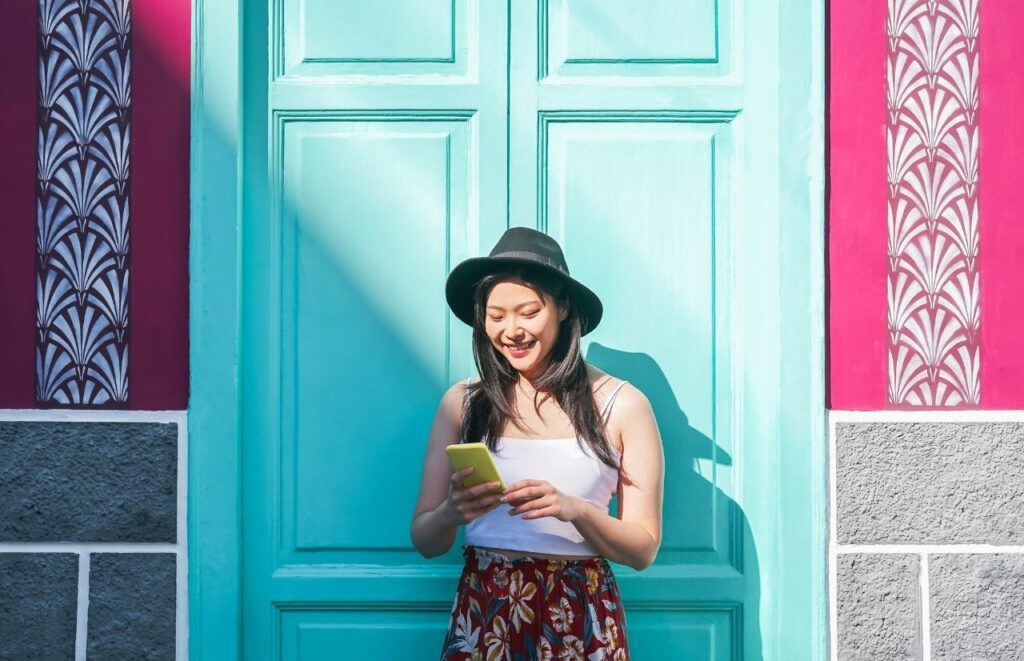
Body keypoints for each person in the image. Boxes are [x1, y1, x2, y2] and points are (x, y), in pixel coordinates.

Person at [411, 227, 665, 660]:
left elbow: (642, 549)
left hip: (579, 612)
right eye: (496, 316)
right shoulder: (463, 403)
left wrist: (576, 510)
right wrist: (451, 513)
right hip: (484, 610)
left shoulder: (623, 405)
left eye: (528, 312)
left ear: (563, 307)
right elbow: (425, 540)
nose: (512, 330)